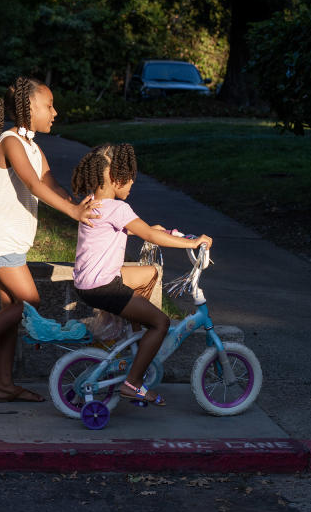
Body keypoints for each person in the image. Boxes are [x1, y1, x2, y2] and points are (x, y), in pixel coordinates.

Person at [0, 77, 99, 403]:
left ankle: (3, 384)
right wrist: (72, 213)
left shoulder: (32, 146)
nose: (55, 112)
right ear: (29, 107)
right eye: (49, 106)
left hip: (10, 239)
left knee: (13, 310)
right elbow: (32, 184)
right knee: (30, 302)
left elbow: (50, 183)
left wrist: (82, 202)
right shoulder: (10, 141)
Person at [70, 143, 212, 407]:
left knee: (148, 273)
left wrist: (151, 229)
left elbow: (129, 230)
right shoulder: (119, 209)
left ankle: (132, 339)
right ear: (115, 178)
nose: (133, 180)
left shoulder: (92, 204)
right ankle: (132, 383)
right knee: (160, 323)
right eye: (129, 175)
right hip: (103, 286)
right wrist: (192, 243)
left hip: (89, 282)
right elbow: (147, 234)